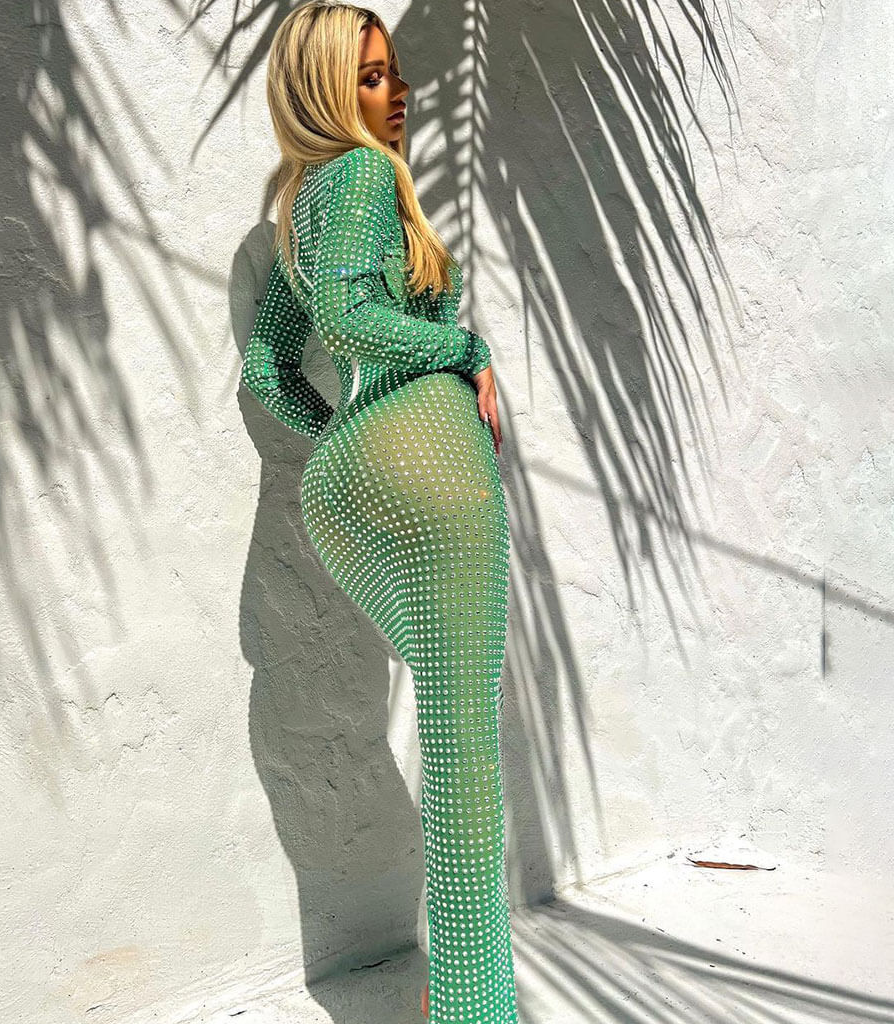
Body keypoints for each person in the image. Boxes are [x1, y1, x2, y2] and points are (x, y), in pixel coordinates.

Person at [240, 3, 516, 1021]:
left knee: (449, 725)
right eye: (367, 77)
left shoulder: (299, 209)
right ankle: (474, 1010)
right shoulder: (360, 175)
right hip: (428, 457)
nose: (396, 92)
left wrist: (341, 438)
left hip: (347, 481)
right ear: (321, 89)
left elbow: (267, 369)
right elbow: (356, 319)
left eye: (391, 73)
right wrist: (465, 348)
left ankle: (457, 995)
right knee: (462, 745)